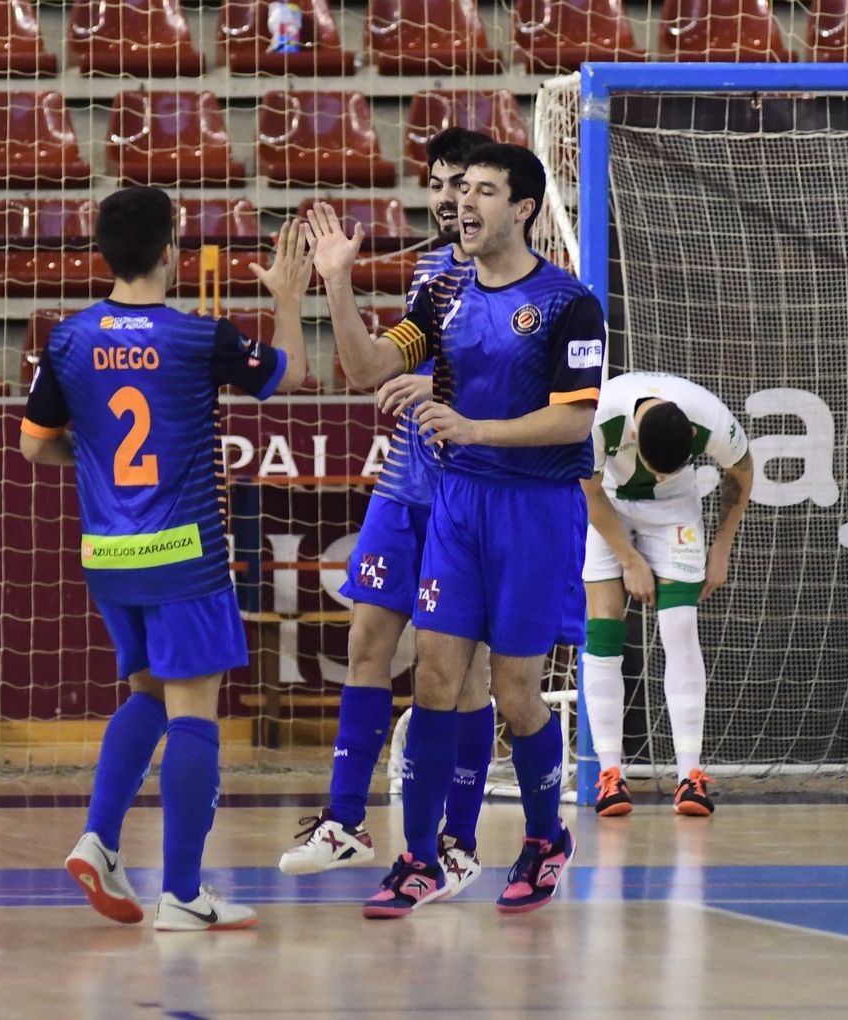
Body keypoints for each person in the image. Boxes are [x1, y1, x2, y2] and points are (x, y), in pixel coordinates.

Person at [318, 142, 604, 917]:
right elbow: (369, 365)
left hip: (534, 513)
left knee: (515, 695)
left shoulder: (568, 302)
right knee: (434, 680)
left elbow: (575, 418)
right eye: (461, 190)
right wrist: (339, 284)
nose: (465, 204)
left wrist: (474, 429)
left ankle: (545, 839)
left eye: (485, 190)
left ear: (524, 209)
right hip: (457, 507)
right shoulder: (441, 294)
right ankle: (416, 861)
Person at [22, 186, 314, 931]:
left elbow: (33, 444)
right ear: (168, 253)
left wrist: (98, 468)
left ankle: (99, 838)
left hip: (107, 555)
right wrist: (286, 296)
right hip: (184, 554)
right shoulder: (197, 337)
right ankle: (183, 893)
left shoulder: (67, 337)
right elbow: (292, 377)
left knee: (149, 692)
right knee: (194, 712)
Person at [278, 128, 497, 905]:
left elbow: (531, 399)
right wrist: (333, 286)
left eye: (463, 183)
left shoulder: (537, 286)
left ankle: (458, 841)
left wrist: (445, 399)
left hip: (471, 498)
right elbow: (370, 366)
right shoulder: (430, 272)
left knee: (459, 673)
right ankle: (345, 821)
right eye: (437, 182)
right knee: (367, 640)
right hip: (403, 489)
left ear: (497, 196)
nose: (446, 197)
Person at [580, 372, 752, 817]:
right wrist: (630, 560)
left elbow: (743, 471)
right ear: (634, 437)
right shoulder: (600, 420)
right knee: (602, 627)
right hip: (608, 505)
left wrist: (722, 545)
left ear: (692, 437)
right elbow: (588, 490)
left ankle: (690, 778)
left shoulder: (710, 417)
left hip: (674, 508)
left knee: (679, 626)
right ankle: (610, 776)